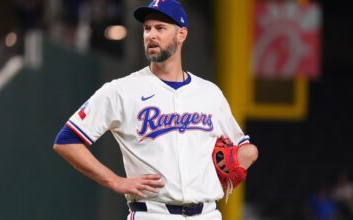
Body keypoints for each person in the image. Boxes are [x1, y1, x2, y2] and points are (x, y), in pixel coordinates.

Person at [53, 0, 258, 219]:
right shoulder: (121, 91)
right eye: (147, 29)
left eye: (160, 28)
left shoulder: (209, 93)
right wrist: (115, 180)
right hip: (153, 213)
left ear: (181, 34)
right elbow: (66, 141)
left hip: (206, 213)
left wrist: (245, 156)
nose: (151, 35)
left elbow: (244, 148)